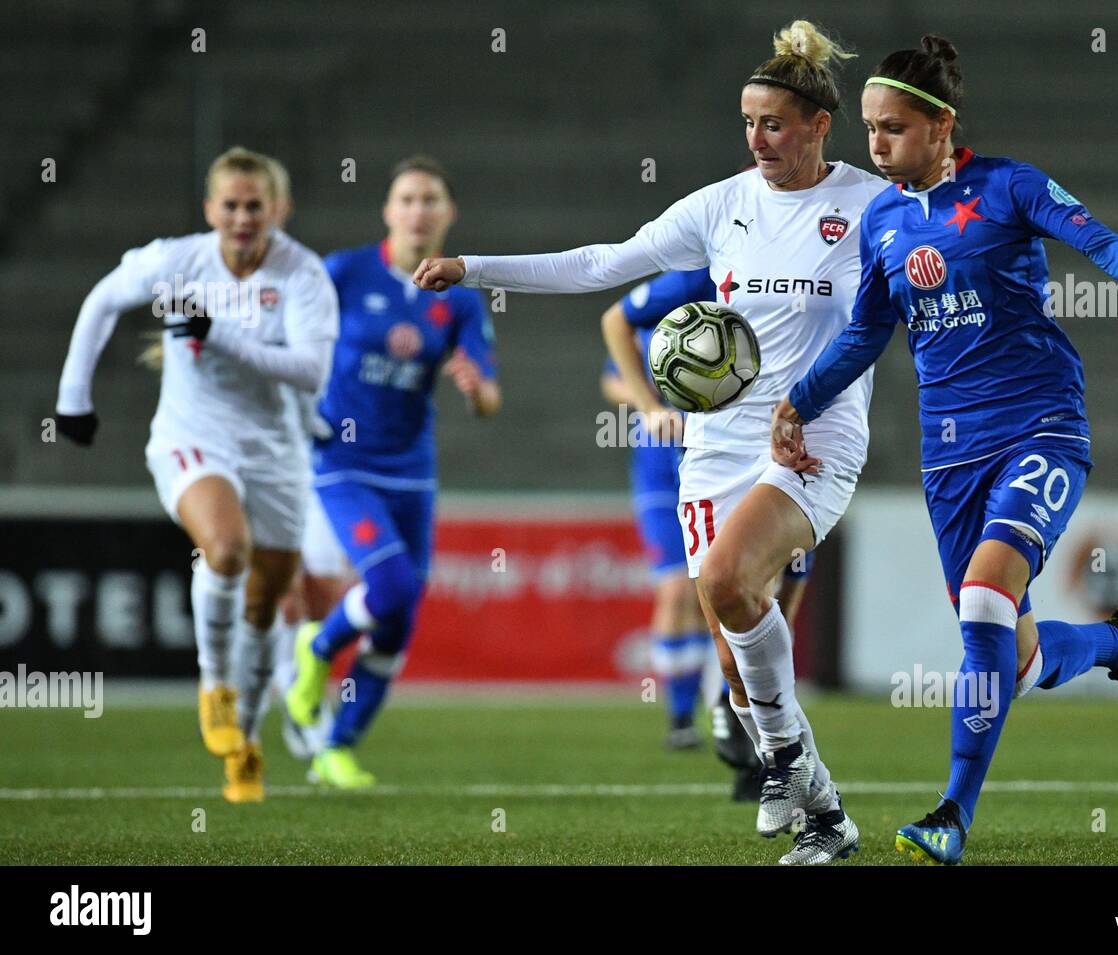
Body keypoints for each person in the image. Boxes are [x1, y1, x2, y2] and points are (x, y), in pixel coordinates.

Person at [414, 20, 889, 865]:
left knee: (723, 579)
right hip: (714, 444)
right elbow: (605, 263)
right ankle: (820, 804)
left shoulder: (868, 204)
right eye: (747, 122)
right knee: (734, 635)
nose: (757, 139)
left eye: (774, 123)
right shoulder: (723, 205)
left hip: (811, 441)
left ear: (820, 125)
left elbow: (923, 281)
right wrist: (475, 267)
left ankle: (784, 764)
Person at [771, 35, 1118, 865]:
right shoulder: (883, 221)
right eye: (869, 129)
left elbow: (1101, 241)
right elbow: (868, 332)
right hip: (950, 458)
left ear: (942, 126)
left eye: (893, 128)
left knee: (982, 602)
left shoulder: (1009, 185)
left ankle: (950, 816)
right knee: (1013, 656)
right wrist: (800, 399)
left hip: (1041, 425)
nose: (875, 145)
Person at [54, 146, 340, 803]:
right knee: (226, 547)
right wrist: (74, 398)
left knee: (268, 606)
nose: (243, 217)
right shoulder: (177, 260)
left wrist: (219, 334)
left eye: (255, 205)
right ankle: (214, 681)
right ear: (210, 208)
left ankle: (246, 738)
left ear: (279, 208)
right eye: (231, 205)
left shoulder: (304, 275)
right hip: (193, 439)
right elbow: (102, 299)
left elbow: (309, 371)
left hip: (277, 450)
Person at [285, 156, 501, 788]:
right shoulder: (343, 273)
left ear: (448, 213)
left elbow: (489, 398)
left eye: (431, 199)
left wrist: (473, 388)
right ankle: (317, 649)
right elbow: (291, 348)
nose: (418, 210)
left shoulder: (457, 299)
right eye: (406, 198)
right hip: (341, 460)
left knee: (399, 623)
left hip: (412, 469)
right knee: (394, 587)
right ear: (388, 210)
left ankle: (337, 747)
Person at [601, 268, 819, 801]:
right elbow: (612, 364)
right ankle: (685, 717)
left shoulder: (791, 285)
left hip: (765, 459)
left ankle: (742, 725)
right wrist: (652, 407)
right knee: (685, 589)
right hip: (665, 465)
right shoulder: (686, 285)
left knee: (770, 609)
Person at [599, 269, 716, 752]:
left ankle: (727, 710)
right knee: (673, 590)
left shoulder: (723, 302)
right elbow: (610, 382)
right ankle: (679, 716)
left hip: (710, 464)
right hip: (657, 472)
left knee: (714, 588)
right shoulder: (645, 317)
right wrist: (651, 399)